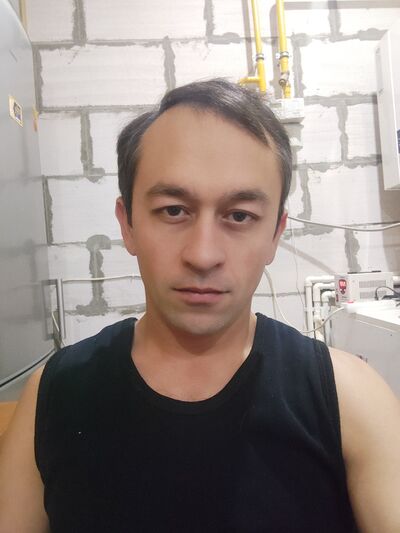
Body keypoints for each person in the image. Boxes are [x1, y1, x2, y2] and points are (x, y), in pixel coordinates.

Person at [0, 79, 399, 533]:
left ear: (275, 233)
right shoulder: (54, 394)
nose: (203, 255)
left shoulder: (351, 399)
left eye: (239, 216)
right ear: (127, 224)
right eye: (174, 210)